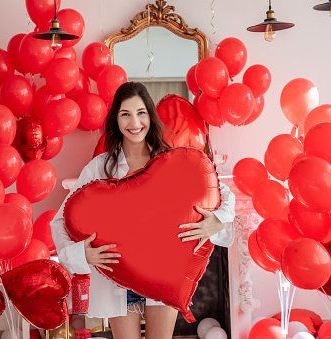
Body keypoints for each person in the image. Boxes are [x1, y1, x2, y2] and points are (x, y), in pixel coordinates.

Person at [50, 82, 235, 339]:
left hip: (164, 273)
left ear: (150, 116)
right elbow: (60, 219)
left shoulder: (170, 160)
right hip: (117, 278)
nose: (134, 122)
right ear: (116, 119)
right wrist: (82, 254)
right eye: (125, 113)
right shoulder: (99, 167)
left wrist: (218, 220)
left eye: (141, 113)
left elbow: (222, 192)